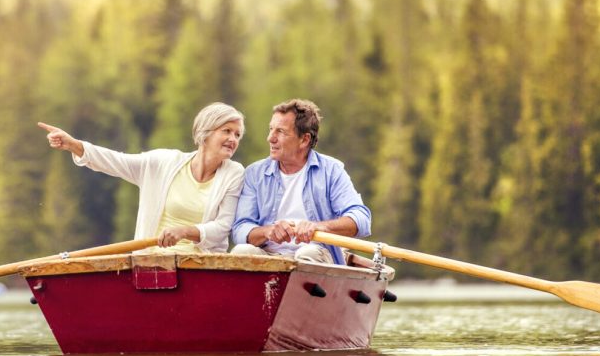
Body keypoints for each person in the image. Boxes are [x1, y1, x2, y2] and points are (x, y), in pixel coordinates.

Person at [38, 103, 245, 253]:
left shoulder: (234, 173)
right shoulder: (164, 162)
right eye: (226, 131)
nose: (233, 139)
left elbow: (222, 228)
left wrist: (184, 231)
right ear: (205, 133)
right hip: (150, 264)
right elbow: (117, 162)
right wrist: (74, 144)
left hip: (201, 268)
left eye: (237, 135)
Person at [231, 99, 370, 265]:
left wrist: (320, 227)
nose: (270, 138)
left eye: (280, 132)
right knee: (242, 251)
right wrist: (268, 231)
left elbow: (361, 219)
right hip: (268, 257)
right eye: (271, 129)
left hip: (315, 255)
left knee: (308, 253)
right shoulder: (255, 173)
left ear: (304, 140)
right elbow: (240, 229)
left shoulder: (331, 170)